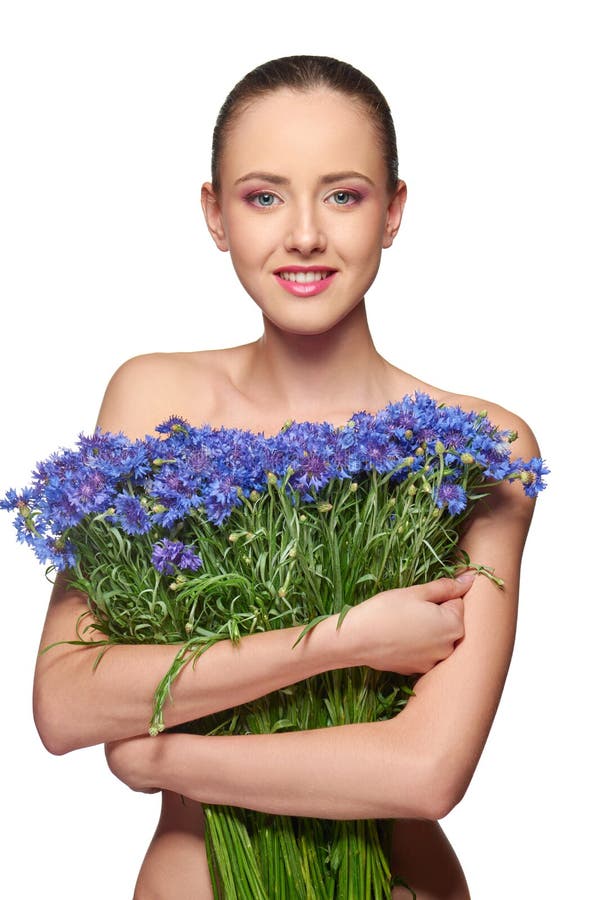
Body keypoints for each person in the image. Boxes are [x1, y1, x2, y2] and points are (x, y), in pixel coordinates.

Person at [32, 55, 539, 899]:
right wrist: (348, 641)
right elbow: (66, 705)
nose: (303, 234)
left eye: (343, 195)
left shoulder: (480, 447)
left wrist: (160, 752)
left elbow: (424, 773)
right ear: (215, 214)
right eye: (263, 196)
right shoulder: (157, 399)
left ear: (393, 212)